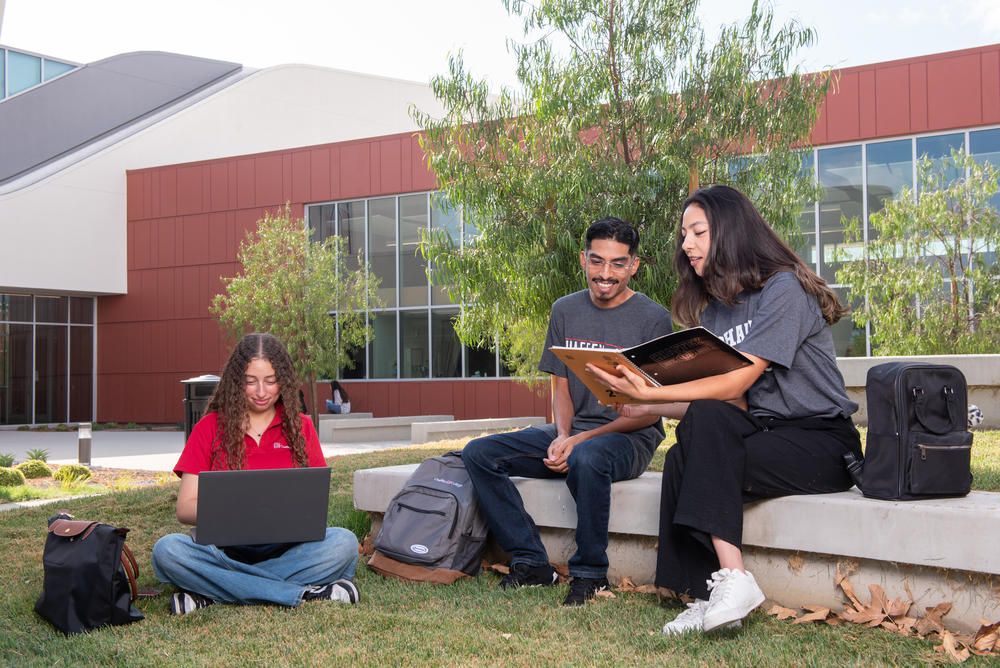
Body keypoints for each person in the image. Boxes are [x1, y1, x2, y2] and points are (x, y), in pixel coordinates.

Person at [588, 185, 863, 634]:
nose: (685, 244)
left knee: (705, 424)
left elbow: (738, 381)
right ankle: (709, 596)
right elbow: (728, 402)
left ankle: (734, 579)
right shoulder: (718, 311)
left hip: (823, 442)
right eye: (683, 234)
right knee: (684, 452)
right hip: (763, 434)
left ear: (732, 232)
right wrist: (633, 395)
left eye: (697, 232)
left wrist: (647, 392)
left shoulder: (784, 288)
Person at [461, 217, 673, 606]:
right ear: (583, 259)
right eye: (597, 261)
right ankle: (530, 563)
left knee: (588, 458)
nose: (605, 274)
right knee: (480, 454)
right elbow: (561, 388)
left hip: (630, 436)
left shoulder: (653, 318)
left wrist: (579, 440)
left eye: (618, 264)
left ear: (634, 265)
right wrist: (562, 435)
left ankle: (591, 575)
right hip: (573, 431)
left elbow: (650, 410)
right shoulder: (564, 310)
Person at [151, 332, 360, 615]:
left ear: (283, 381)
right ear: (236, 381)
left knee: (344, 544)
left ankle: (215, 592)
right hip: (225, 550)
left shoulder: (302, 428)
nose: (261, 392)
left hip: (288, 550)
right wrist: (238, 511)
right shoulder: (209, 427)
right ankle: (300, 593)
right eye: (250, 381)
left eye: (271, 381)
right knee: (168, 551)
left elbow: (315, 505)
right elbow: (185, 508)